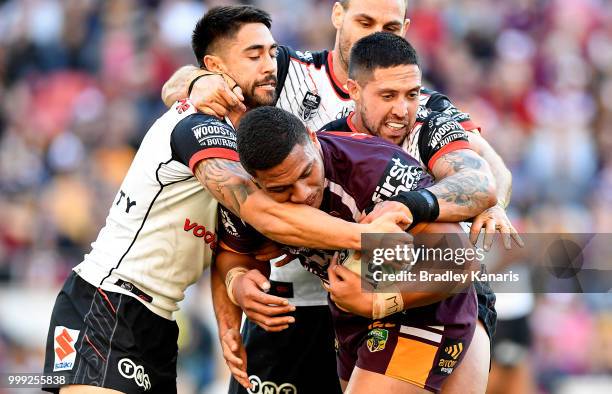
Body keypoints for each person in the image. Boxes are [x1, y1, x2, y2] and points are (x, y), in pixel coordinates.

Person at [41, 6, 409, 394]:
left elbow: (230, 241)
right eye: (254, 56)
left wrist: (231, 297)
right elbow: (262, 214)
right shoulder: (198, 125)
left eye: (271, 52)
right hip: (109, 302)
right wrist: (367, 239)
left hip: (160, 319)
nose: (270, 65)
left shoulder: (250, 136)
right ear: (213, 67)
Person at [161, 2, 513, 393]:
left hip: (427, 284)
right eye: (365, 21)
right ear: (338, 15)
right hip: (319, 299)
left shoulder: (423, 110)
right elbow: (194, 79)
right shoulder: (286, 74)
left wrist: (476, 203)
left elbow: (484, 174)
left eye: (391, 26)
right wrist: (197, 82)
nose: (375, 33)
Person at [217, 104, 485, 393]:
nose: (303, 193)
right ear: (255, 181)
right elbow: (234, 252)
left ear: (312, 137)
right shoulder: (243, 191)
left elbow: (458, 258)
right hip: (350, 317)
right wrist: (239, 283)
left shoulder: (372, 169)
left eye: (307, 172)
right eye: (281, 190)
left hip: (425, 308)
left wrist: (381, 302)